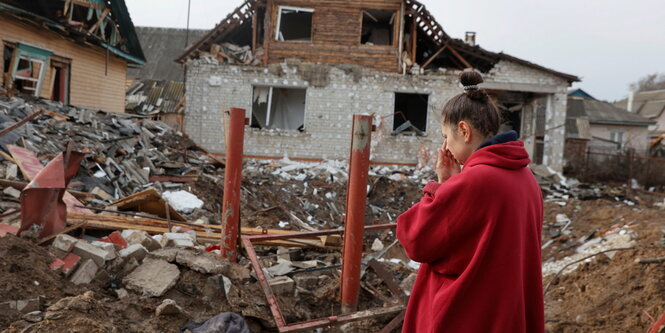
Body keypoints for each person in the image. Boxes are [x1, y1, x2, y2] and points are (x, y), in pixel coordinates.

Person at [396, 71, 544, 332]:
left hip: (466, 316)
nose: (445, 146)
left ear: (463, 130)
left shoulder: (476, 181)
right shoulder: (525, 177)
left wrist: (441, 187)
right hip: (504, 315)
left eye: (446, 136)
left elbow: (416, 240)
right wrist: (453, 183)